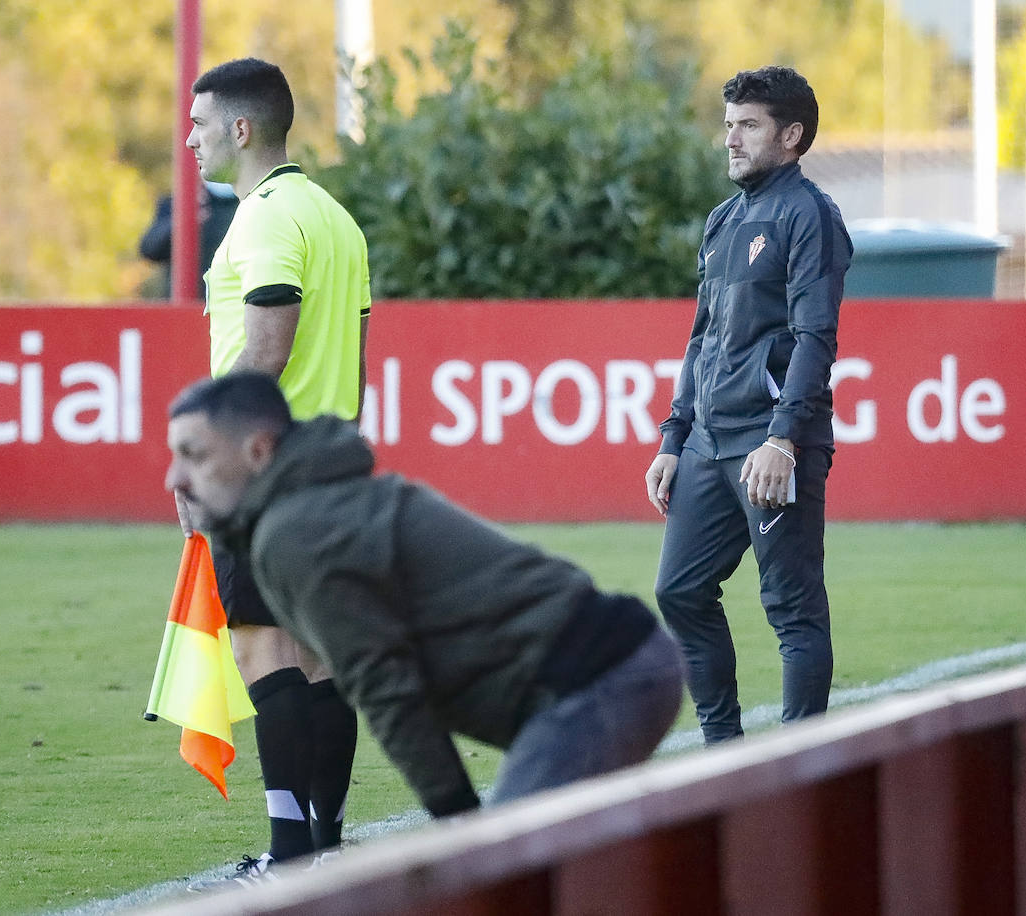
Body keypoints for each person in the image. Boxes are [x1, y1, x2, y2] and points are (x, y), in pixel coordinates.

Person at [166, 372, 684, 830]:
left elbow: (385, 688)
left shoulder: (297, 534)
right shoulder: (309, 510)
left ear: (257, 452)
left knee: (505, 880)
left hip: (597, 680)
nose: (175, 478)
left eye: (194, 455)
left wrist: (459, 824)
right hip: (617, 663)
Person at [174, 57, 371, 884]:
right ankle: (323, 837)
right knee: (321, 657)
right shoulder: (335, 218)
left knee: (264, 651)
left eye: (200, 121)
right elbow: (351, 357)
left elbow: (266, 347)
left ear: (241, 129)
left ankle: (291, 851)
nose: (190, 137)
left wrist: (210, 461)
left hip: (265, 472)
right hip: (333, 459)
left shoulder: (259, 221)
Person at [644, 66, 853, 745]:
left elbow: (816, 336)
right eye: (728, 123)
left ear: (791, 136)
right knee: (679, 590)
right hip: (708, 443)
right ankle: (723, 756)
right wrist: (675, 436)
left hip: (768, 443)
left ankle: (796, 772)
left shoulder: (810, 214)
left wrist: (784, 439)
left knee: (790, 609)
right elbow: (704, 334)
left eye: (747, 125)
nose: (729, 138)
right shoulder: (723, 219)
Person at [137, 181, 239, 299]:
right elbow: (149, 249)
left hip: (229, 303)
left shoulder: (247, 204)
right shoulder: (184, 202)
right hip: (185, 305)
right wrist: (183, 218)